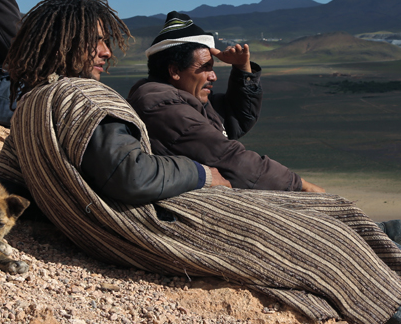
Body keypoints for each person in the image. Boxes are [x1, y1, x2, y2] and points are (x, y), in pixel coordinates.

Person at [0, 0, 401, 324]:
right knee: (321, 242)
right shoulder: (85, 98)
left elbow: (27, 180)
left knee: (326, 229)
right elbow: (131, 175)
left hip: (113, 226)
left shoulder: (33, 107)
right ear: (63, 42)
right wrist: (199, 174)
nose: (108, 53)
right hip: (156, 221)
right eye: (95, 43)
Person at [127, 12, 325, 192]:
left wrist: (242, 69)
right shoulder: (163, 107)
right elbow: (228, 158)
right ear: (175, 71)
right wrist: (301, 186)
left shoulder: (187, 102)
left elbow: (236, 118)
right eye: (205, 67)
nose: (213, 76)